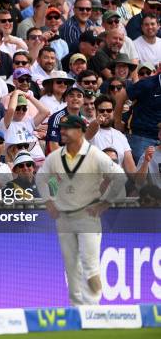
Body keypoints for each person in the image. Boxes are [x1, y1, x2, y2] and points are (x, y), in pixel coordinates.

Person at [38, 115, 124, 305]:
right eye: (62, 129)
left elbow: (119, 177)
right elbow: (44, 181)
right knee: (72, 265)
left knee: (90, 265)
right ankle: (77, 309)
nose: (63, 132)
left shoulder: (95, 155)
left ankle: (93, 310)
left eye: (68, 129)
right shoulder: (57, 158)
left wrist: (104, 202)